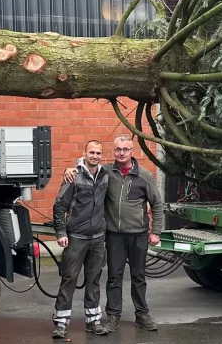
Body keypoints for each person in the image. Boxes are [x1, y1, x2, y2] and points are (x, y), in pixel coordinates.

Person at [64, 135, 164, 333]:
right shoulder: (106, 172)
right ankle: (113, 315)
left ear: (132, 151)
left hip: (138, 234)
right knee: (114, 276)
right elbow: (88, 166)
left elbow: (158, 204)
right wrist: (71, 168)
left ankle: (142, 314)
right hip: (114, 235)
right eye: (118, 149)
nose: (121, 153)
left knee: (138, 276)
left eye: (125, 149)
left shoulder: (143, 175)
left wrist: (156, 232)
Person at [50, 139, 110, 339]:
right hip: (76, 237)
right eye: (91, 152)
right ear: (84, 153)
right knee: (69, 279)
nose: (94, 156)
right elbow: (59, 205)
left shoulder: (105, 176)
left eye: (98, 153)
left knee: (93, 280)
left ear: (102, 155)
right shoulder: (73, 176)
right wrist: (61, 233)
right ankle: (60, 323)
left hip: (97, 238)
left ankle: (93, 321)